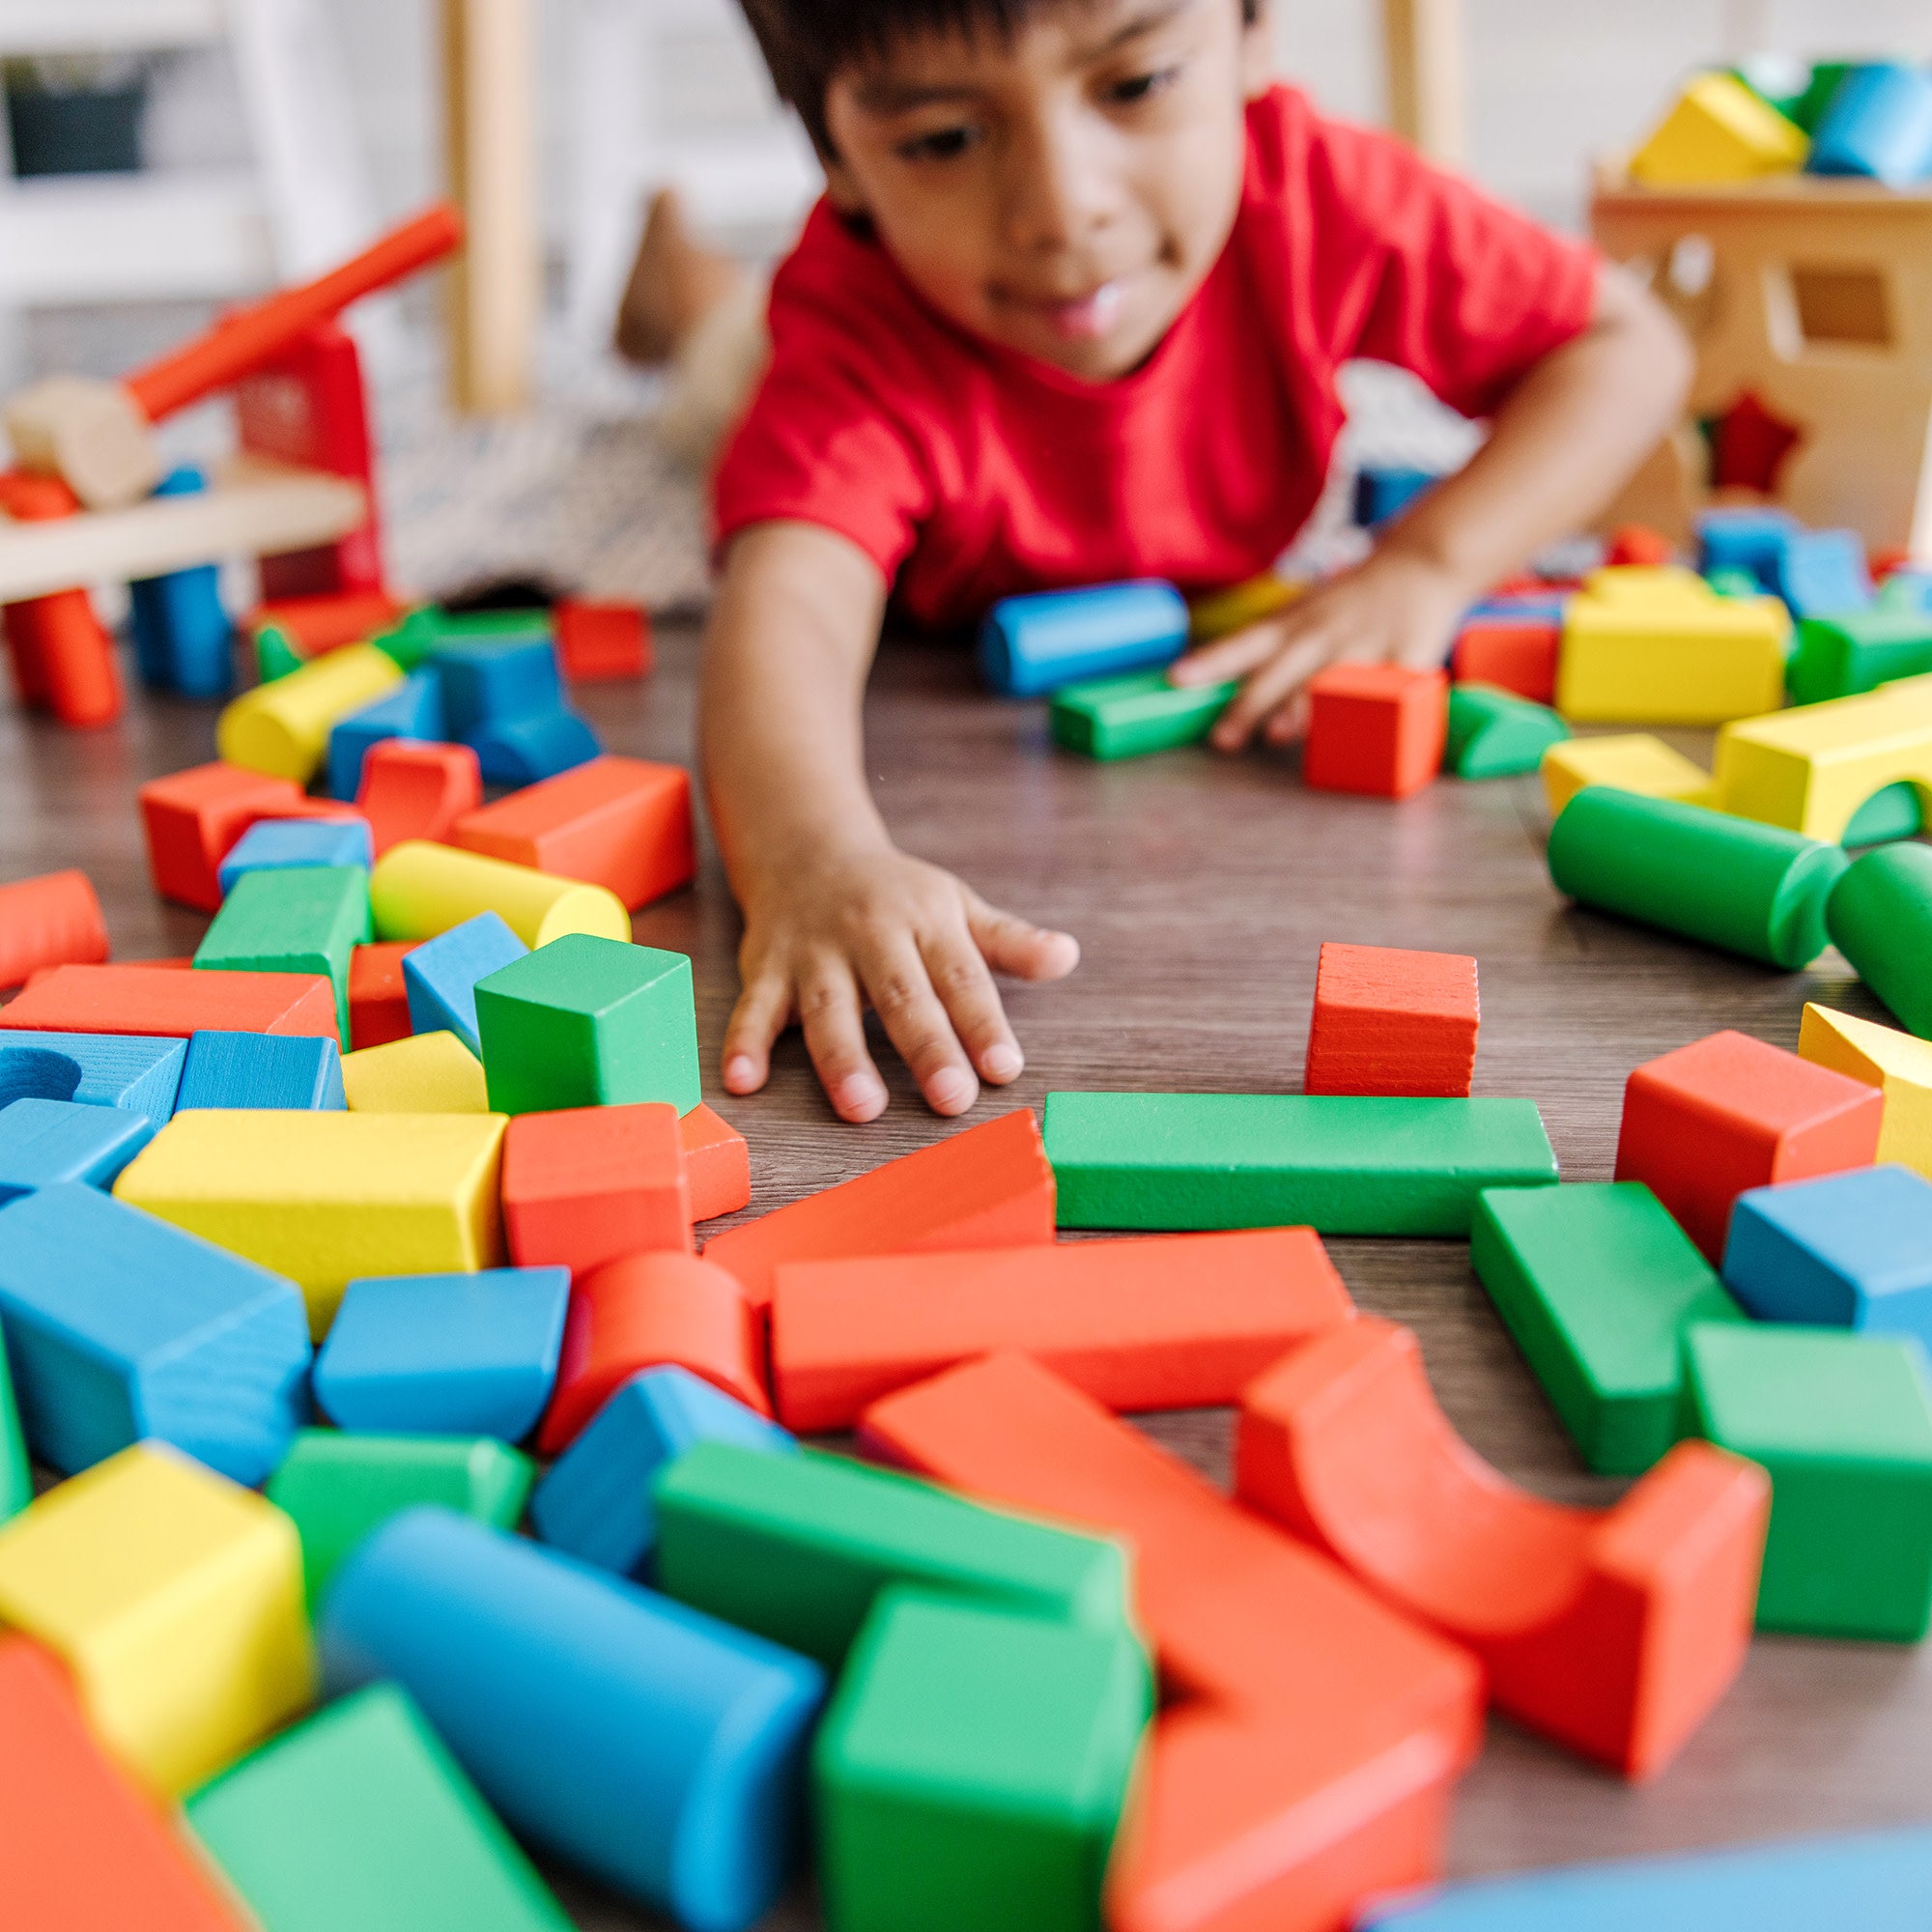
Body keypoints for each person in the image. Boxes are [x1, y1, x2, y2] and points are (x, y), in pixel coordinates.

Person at [655, 0, 1689, 1124]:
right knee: (710, 359)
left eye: (1134, 85)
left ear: (1251, 36)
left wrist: (1427, 564)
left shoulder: (1322, 194)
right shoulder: (856, 327)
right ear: (835, 163)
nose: (1062, 211)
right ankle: (671, 273)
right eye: (944, 139)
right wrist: (811, 855)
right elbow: (787, 596)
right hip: (774, 355)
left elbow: (1625, 343)